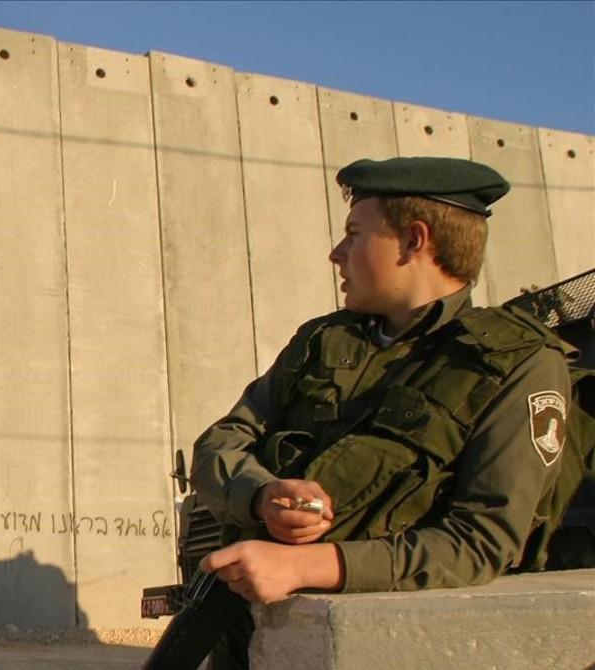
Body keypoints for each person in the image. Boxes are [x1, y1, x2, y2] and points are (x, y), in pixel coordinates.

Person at [191, 156, 572, 667]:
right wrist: (263, 495)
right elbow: (221, 443)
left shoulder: (517, 364)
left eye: (354, 234)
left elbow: (481, 541)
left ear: (414, 241)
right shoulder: (324, 340)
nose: (336, 252)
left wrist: (309, 564)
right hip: (251, 633)